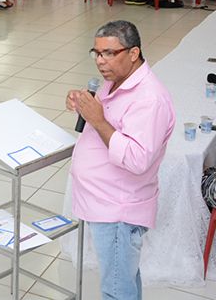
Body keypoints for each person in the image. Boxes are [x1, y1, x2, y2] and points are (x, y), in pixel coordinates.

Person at [66, 20, 174, 300]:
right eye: (96, 53)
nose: (100, 62)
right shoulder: (115, 82)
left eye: (109, 53)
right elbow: (110, 124)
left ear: (134, 53)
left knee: (116, 291)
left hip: (118, 210)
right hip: (104, 202)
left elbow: (138, 159)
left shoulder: (149, 100)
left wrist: (98, 120)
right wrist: (85, 106)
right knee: (123, 281)